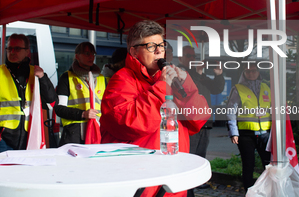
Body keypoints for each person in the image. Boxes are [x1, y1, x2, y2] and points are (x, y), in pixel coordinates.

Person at [100, 20, 210, 197]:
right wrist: (161, 88)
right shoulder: (122, 79)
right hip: (143, 183)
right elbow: (129, 124)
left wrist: (187, 87)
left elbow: (199, 119)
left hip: (173, 178)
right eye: (151, 46)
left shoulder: (169, 79)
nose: (159, 50)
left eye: (161, 45)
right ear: (134, 51)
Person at [0, 33, 57, 153]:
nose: (12, 52)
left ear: (27, 52)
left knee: (27, 172)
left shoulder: (35, 74)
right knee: (1, 172)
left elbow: (51, 104)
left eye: (17, 49)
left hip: (31, 137)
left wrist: (43, 78)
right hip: (3, 140)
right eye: (10, 48)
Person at [178, 46, 224, 195]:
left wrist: (218, 74)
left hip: (205, 123)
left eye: (194, 55)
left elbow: (216, 88)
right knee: (189, 160)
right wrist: (198, 73)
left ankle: (193, 188)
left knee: (199, 158)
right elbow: (188, 91)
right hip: (190, 124)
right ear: (180, 58)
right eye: (188, 55)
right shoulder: (179, 73)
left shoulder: (199, 75)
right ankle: (187, 191)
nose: (192, 58)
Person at [226, 63, 271, 192]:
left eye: (254, 71)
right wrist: (233, 132)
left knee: (268, 165)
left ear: (258, 72)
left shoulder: (265, 87)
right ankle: (248, 191)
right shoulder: (238, 88)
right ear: (244, 73)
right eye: (248, 71)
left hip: (265, 133)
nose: (251, 73)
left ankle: (268, 190)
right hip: (246, 134)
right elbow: (231, 111)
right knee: (248, 165)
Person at [54, 42, 109, 146]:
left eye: (93, 54)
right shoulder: (67, 77)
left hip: (97, 132)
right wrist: (83, 114)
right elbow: (59, 109)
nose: (91, 57)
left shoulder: (102, 78)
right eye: (87, 53)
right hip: (74, 134)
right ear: (77, 56)